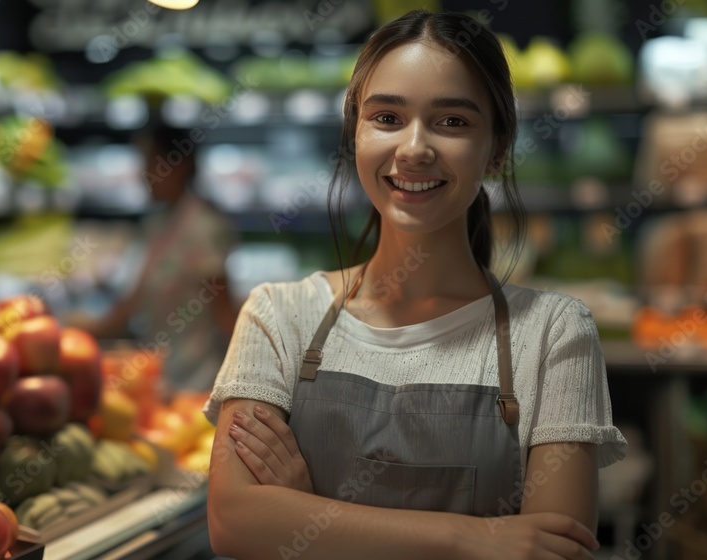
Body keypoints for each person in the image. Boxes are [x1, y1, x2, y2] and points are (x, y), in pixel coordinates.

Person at [204, 10, 627, 560]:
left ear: (497, 148)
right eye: (386, 118)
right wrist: (472, 536)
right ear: (354, 132)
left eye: (452, 122)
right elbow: (234, 522)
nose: (413, 148)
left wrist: (306, 512)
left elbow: (551, 550)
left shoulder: (554, 334)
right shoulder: (277, 315)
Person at [70, 123, 238, 394]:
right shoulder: (157, 224)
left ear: (180, 165)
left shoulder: (205, 228)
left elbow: (224, 313)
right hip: (160, 377)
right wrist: (86, 331)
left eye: (151, 163)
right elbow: (134, 303)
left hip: (200, 381)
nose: (145, 175)